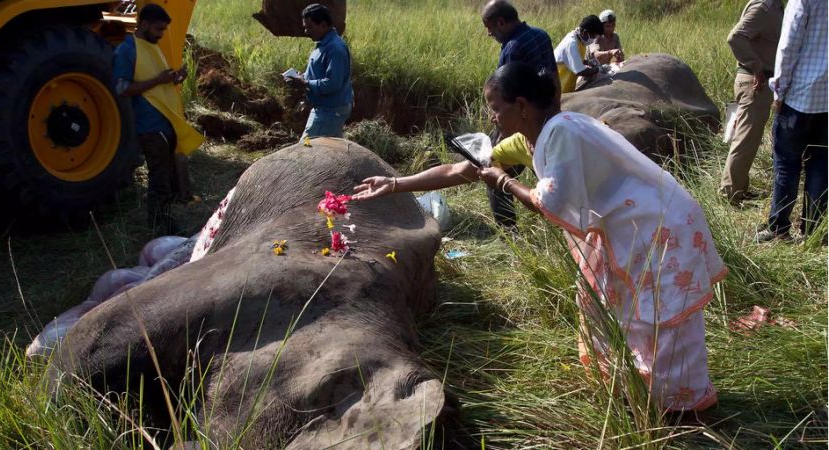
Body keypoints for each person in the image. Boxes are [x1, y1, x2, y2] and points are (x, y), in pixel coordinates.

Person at [352, 63, 727, 412]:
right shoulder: (529, 137)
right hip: (627, 228)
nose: (491, 117)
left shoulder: (562, 131)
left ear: (521, 105)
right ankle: (639, 390)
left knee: (660, 317)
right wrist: (395, 184)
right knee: (611, 305)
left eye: (495, 107)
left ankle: (685, 409)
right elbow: (463, 169)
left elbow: (547, 201)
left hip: (657, 227)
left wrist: (504, 181)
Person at [113, 3, 204, 233]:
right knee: (159, 180)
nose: (162, 34)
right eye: (159, 29)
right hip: (149, 126)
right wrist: (159, 80)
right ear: (143, 24)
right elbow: (122, 88)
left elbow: (157, 82)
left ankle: (167, 221)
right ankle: (158, 227)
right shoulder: (127, 50)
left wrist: (175, 78)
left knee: (169, 177)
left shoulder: (151, 46)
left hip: (166, 123)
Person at [480, 0, 557, 228]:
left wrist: (503, 134)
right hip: (545, 112)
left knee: (493, 170)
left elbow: (508, 95)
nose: (489, 33)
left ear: (501, 22)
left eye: (490, 27)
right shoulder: (540, 35)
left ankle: (508, 230)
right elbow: (552, 76)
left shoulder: (513, 47)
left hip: (523, 122)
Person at [756, 0, 827, 243]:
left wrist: (779, 91)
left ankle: (779, 229)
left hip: (799, 97)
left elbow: (788, 47)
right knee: (821, 165)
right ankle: (813, 231)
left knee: (787, 163)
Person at [720, 0, 782, 206]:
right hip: (755, 83)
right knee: (745, 139)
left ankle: (739, 188)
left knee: (749, 138)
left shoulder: (774, 7)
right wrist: (756, 67)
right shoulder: (764, 8)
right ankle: (730, 194)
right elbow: (735, 37)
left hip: (760, 82)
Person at [285, 3, 353, 140]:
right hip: (328, 108)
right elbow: (320, 73)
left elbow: (333, 83)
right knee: (331, 151)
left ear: (323, 24)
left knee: (306, 150)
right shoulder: (324, 43)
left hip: (330, 110)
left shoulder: (335, 48)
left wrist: (306, 83)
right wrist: (302, 77)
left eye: (309, 27)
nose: (306, 32)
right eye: (305, 27)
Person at [554, 15, 604, 93]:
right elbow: (581, 71)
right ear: (585, 32)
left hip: (568, 87)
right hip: (559, 89)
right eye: (593, 37)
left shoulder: (580, 40)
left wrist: (588, 62)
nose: (593, 40)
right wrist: (599, 69)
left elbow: (571, 60)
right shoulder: (571, 43)